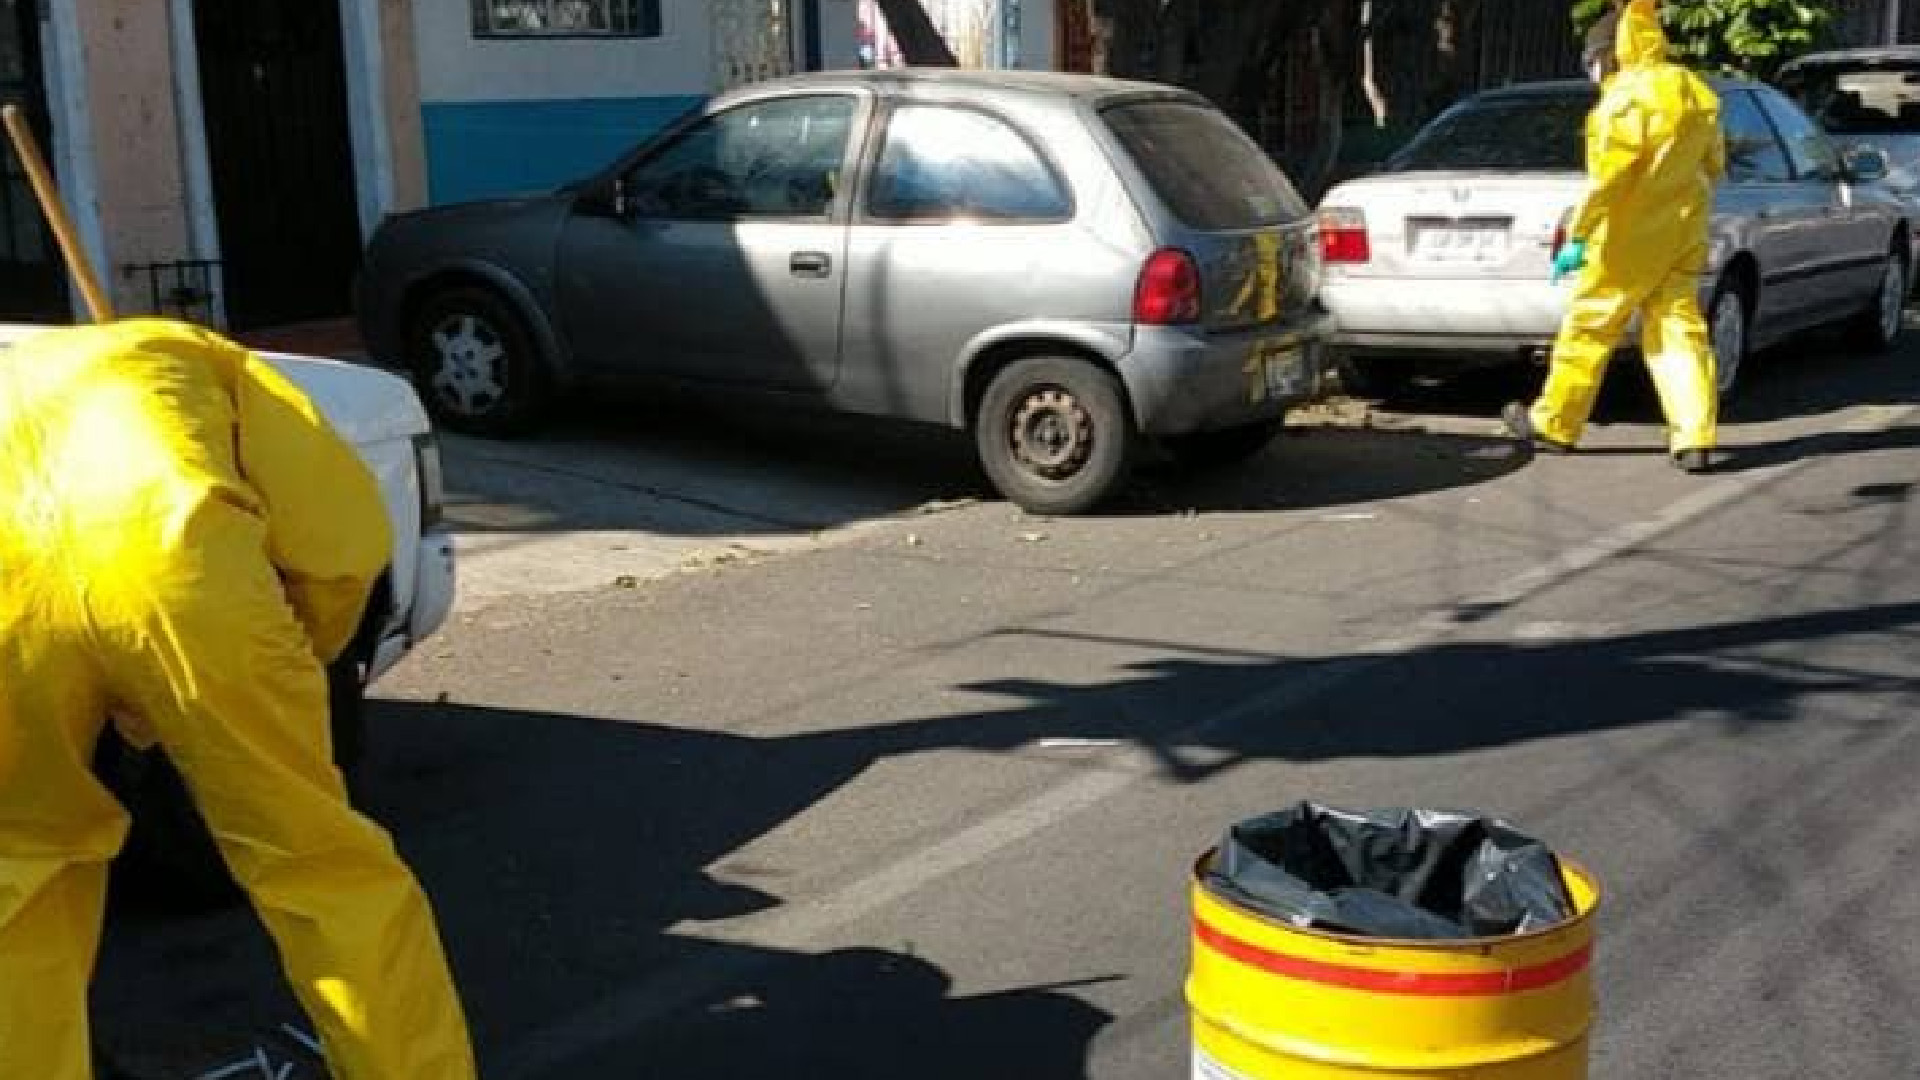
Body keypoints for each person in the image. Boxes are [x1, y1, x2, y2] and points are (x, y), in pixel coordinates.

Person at [0, 319, 477, 1080]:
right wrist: (308, 652)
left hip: (14, 606)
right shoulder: (215, 361)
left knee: (26, 871)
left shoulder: (18, 377)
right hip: (183, 582)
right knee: (323, 869)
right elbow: (343, 544)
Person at [1504, 0, 1724, 473]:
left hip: (1626, 235)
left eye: (1592, 60)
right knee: (1679, 331)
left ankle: (1555, 424)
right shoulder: (1693, 89)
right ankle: (1694, 436)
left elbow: (1608, 181)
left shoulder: (1623, 101)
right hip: (1683, 228)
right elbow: (1714, 165)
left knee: (1589, 328)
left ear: (1609, 54)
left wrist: (1579, 236)